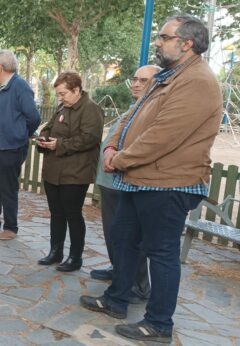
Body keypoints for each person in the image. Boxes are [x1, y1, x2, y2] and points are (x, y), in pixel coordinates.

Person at [80, 15, 223, 343]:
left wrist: (120, 159)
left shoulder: (198, 81)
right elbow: (131, 115)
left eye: (164, 37)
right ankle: (117, 300)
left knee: (161, 253)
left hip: (170, 184)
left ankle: (159, 323)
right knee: (123, 240)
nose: (157, 42)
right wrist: (113, 144)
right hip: (141, 180)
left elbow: (164, 135)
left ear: (185, 43)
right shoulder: (167, 77)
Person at [89, 65, 162, 304]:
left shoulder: (154, 109)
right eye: (135, 79)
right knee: (115, 234)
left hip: (125, 181)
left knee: (130, 238)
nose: (136, 83)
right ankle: (119, 270)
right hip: (110, 181)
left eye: (144, 80)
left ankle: (139, 286)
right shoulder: (136, 107)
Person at [36, 72, 103, 272]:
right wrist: (44, 138)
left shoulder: (91, 109)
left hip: (75, 173)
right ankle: (55, 251)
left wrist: (60, 144)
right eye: (58, 94)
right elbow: (48, 128)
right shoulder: (62, 107)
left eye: (63, 93)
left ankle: (76, 257)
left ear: (76, 90)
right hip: (54, 171)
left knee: (73, 215)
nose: (61, 97)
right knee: (56, 214)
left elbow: (90, 138)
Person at [0, 49, 41, 241]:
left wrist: (20, 135)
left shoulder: (19, 86)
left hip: (9, 147)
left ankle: (11, 227)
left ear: (0, 67)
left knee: (7, 188)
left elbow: (34, 117)